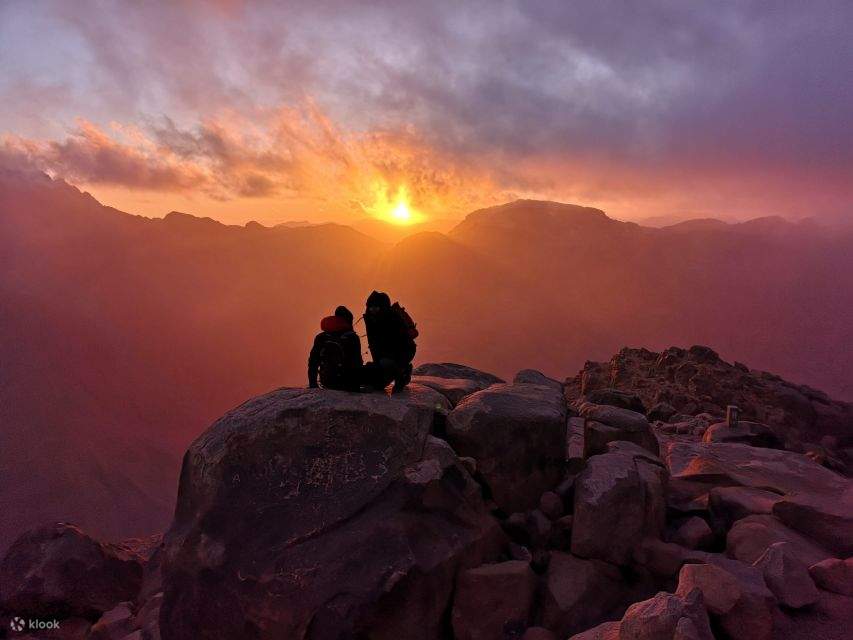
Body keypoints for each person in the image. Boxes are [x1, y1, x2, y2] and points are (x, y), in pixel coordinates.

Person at [362, 290, 417, 393]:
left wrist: (397, 370)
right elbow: (374, 344)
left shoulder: (394, 319)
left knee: (386, 365)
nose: (373, 310)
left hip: (402, 354)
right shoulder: (371, 320)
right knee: (378, 384)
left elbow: (402, 345)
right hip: (385, 357)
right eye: (370, 307)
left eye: (376, 307)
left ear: (383, 307)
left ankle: (404, 373)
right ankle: (396, 371)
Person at [307, 305, 363, 391]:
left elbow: (313, 361)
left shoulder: (321, 337)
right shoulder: (352, 337)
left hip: (327, 381)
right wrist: (356, 386)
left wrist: (313, 384)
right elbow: (357, 362)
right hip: (347, 382)